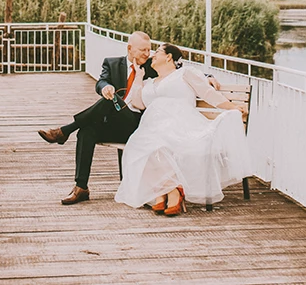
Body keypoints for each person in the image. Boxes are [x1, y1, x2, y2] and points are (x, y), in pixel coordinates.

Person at [114, 43, 250, 217]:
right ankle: (171, 189)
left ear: (169, 57)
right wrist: (139, 77)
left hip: (182, 123)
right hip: (153, 126)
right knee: (139, 146)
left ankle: (168, 192)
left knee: (159, 143)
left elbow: (208, 93)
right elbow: (139, 104)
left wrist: (231, 107)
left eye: (157, 52)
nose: (152, 56)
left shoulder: (184, 74)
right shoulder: (150, 82)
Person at [38, 31, 156, 205]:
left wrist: (206, 78)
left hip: (137, 125)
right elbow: (101, 82)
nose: (147, 54)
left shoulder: (153, 65)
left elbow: (178, 69)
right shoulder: (112, 63)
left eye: (149, 49)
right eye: (142, 50)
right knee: (87, 130)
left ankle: (64, 131)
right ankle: (81, 187)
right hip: (116, 124)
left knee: (110, 100)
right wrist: (105, 87)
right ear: (130, 48)